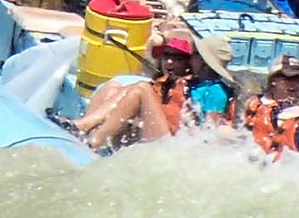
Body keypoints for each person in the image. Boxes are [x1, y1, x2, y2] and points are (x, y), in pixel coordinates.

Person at [67, 34, 235, 150]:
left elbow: (208, 131)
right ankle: (85, 127)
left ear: (205, 63)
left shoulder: (215, 92)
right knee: (118, 88)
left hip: (172, 143)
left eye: (196, 55)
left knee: (142, 88)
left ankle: (95, 141)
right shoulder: (195, 83)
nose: (192, 59)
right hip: (168, 133)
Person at [241, 55, 299, 161]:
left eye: (298, 79)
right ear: (273, 80)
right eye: (288, 79)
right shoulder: (255, 104)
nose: (294, 84)